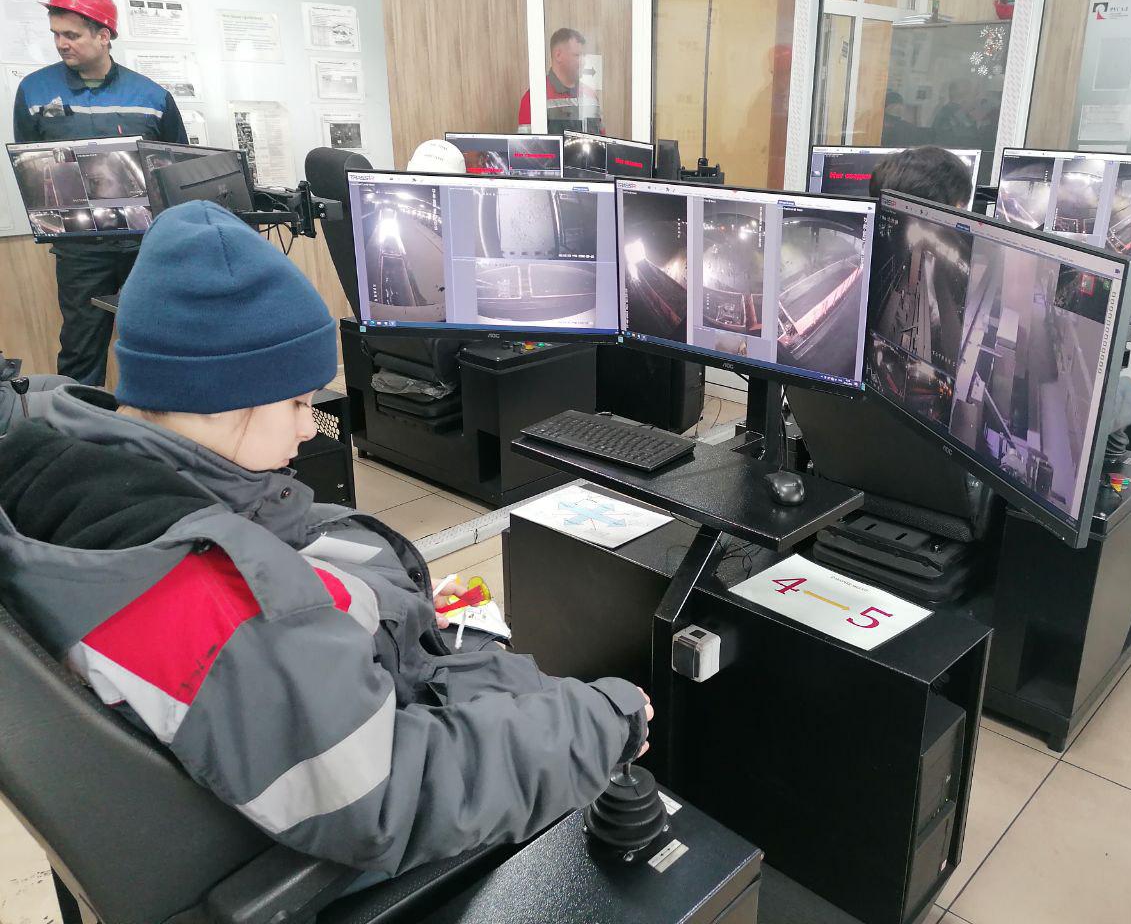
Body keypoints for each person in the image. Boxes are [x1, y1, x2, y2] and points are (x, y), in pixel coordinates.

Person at [0, 200, 652, 884]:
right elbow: (389, 794)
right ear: (222, 396)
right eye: (296, 403)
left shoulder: (96, 468)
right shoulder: (203, 590)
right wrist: (600, 721)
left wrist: (403, 607)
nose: (311, 427)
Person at [869, 146, 1131, 435]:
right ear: (952, 211)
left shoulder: (879, 263)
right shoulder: (958, 278)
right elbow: (1068, 414)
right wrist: (1130, 396)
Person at [11, 0, 188, 388]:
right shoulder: (34, 92)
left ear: (104, 35)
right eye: (56, 34)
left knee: (155, 339)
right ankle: (80, 421)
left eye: (71, 35)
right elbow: (32, 169)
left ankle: (155, 415)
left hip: (145, 245)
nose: (61, 43)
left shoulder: (152, 97)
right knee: (80, 346)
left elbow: (176, 169)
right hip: (80, 250)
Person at [517, 26, 603, 135]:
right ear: (558, 55)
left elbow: (601, 140)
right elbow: (527, 144)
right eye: (577, 55)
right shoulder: (534, 99)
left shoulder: (590, 95)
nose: (583, 62)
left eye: (584, 56)